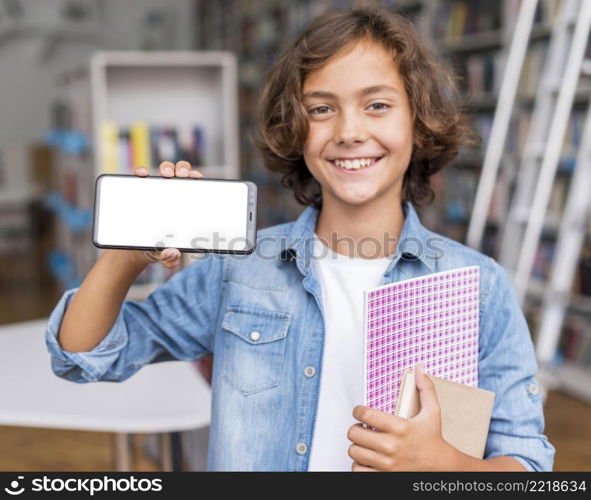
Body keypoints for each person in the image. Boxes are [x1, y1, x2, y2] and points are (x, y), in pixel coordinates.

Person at [45, 8, 555, 471]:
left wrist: (447, 466)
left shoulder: (477, 286)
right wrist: (124, 259)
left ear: (418, 123)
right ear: (295, 128)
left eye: (377, 105)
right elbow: (85, 356)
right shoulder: (240, 271)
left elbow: (528, 464)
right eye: (321, 109)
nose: (350, 131)